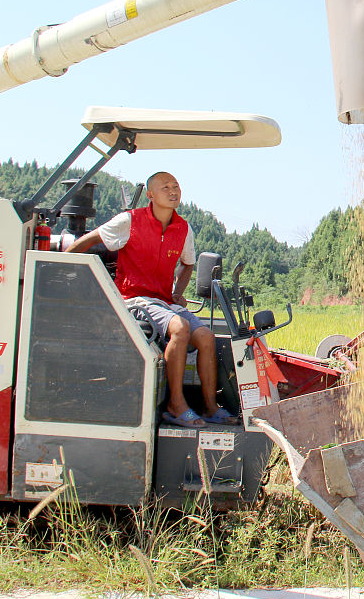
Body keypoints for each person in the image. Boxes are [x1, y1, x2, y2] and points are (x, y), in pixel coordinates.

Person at [66, 171, 238, 428]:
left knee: (206, 337)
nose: (173, 191)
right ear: (150, 194)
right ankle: (176, 405)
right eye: (165, 187)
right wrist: (62, 265)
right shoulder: (129, 221)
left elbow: (188, 264)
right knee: (180, 327)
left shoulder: (183, 228)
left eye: (176, 186)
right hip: (134, 300)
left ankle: (210, 407)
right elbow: (88, 241)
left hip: (163, 302)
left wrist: (177, 292)